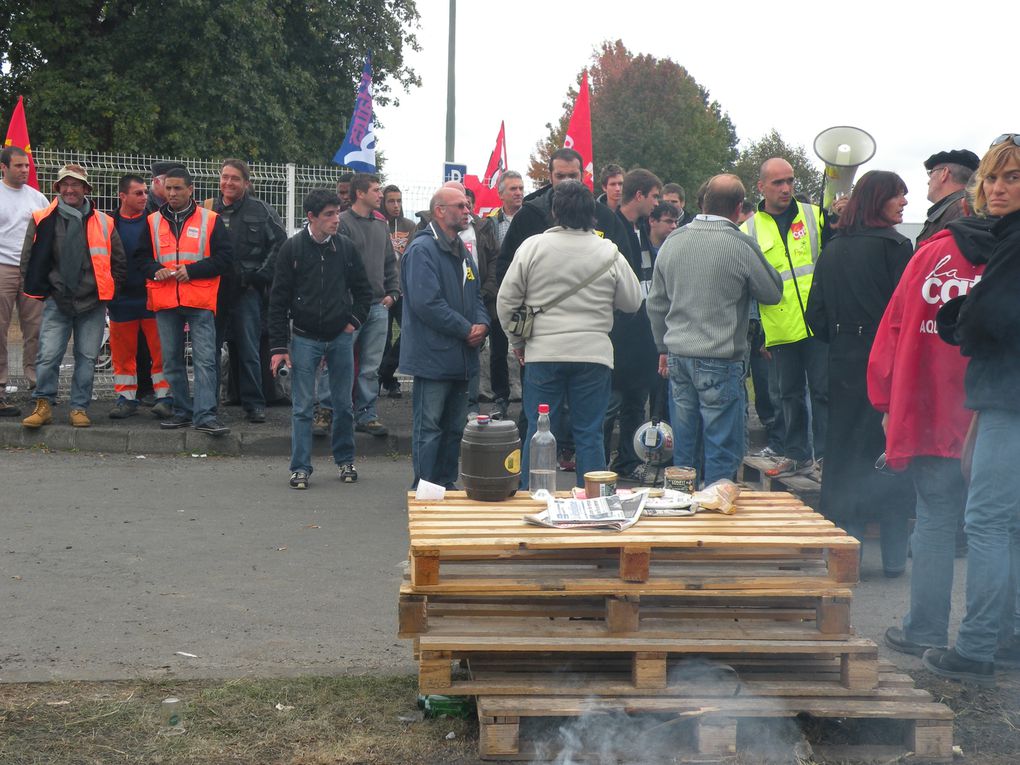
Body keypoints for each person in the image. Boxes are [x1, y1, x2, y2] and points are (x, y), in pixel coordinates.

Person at [870, 210, 994, 657]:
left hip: (933, 413)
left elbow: (893, 330)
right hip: (996, 415)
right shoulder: (1009, 255)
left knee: (936, 520)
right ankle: (995, 637)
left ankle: (924, 629)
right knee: (996, 529)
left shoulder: (931, 255)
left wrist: (886, 402)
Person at [924, 135, 1020, 686]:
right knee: (1006, 523)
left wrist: (960, 316)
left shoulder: (1014, 243)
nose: (997, 188)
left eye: (1011, 178)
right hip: (1002, 396)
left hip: (1009, 397)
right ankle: (1006, 635)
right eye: (992, 178)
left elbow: (995, 321)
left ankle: (979, 645)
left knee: (985, 520)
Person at [805, 171, 915, 576]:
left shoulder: (832, 250)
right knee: (888, 450)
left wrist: (841, 338)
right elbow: (907, 312)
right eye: (897, 195)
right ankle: (891, 558)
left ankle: (844, 553)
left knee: (845, 450)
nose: (905, 201)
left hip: (843, 358)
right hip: (887, 360)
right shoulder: (898, 248)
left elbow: (813, 316)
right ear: (877, 200)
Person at [497, 180, 642, 487]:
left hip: (543, 353)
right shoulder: (609, 251)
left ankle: (532, 497)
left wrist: (517, 341)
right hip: (593, 354)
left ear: (554, 211)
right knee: (589, 432)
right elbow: (632, 300)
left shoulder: (533, 247)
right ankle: (593, 501)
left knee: (538, 431)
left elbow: (506, 300)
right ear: (592, 213)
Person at [647, 174, 782, 484]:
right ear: (738, 208)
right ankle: (716, 515)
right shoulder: (740, 244)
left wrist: (662, 349)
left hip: (679, 356)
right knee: (722, 448)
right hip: (721, 358)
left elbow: (655, 303)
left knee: (685, 445)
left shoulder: (674, 241)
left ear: (703, 203)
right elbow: (772, 292)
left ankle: (683, 507)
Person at [269, 190, 372, 489]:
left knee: (343, 404)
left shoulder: (346, 249)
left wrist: (353, 322)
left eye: (337, 212)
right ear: (311, 217)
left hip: (340, 337)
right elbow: (277, 301)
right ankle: (300, 467)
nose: (335, 219)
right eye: (328, 214)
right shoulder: (292, 249)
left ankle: (345, 460)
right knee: (303, 407)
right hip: (304, 338)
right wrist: (278, 347)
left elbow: (364, 292)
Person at [742, 158, 834, 477]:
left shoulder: (813, 215)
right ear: (762, 187)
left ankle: (824, 457)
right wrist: (760, 334)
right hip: (780, 327)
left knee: (823, 391)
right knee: (788, 395)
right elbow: (751, 286)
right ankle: (797, 454)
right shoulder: (749, 229)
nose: (786, 188)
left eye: (790, 181)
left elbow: (832, 254)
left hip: (817, 323)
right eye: (778, 183)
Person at [21, 164, 127, 428]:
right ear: (57, 188)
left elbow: (119, 262)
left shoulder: (105, 221)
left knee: (87, 358)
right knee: (47, 356)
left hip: (93, 301)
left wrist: (108, 291)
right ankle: (43, 404)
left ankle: (79, 408)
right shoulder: (41, 218)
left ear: (85, 188)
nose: (70, 189)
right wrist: (42, 292)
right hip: (57, 300)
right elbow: (29, 260)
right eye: (65, 184)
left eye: (76, 184)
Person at [399, 186, 488, 489]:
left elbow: (476, 293)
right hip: (434, 356)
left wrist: (482, 324)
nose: (468, 211)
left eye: (467, 206)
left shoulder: (461, 249)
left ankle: (446, 485)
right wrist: (467, 329)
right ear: (440, 211)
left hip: (461, 357)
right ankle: (424, 488)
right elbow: (426, 303)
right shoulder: (423, 249)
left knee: (452, 428)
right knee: (430, 427)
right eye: (461, 206)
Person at [134, 166, 234, 435]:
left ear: (191, 190)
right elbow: (140, 259)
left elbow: (225, 259)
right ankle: (182, 411)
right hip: (165, 301)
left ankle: (205, 414)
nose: (172, 193)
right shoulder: (152, 221)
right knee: (171, 361)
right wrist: (155, 269)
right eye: (168, 188)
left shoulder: (210, 220)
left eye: (178, 188)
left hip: (200, 300)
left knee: (205, 360)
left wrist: (193, 270)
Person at [208, 159, 286, 423]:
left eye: (235, 178)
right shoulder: (208, 210)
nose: (228, 183)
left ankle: (255, 404)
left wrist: (258, 276)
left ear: (246, 183)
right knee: (210, 350)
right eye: (225, 177)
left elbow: (279, 245)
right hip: (213, 291)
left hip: (246, 292)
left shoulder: (261, 211)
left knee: (249, 349)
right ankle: (209, 404)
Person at [606, 168, 662, 482]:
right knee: (611, 403)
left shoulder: (643, 228)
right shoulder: (612, 227)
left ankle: (627, 461)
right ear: (639, 195)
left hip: (644, 332)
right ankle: (599, 464)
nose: (657, 203)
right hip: (618, 331)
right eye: (654, 196)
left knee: (635, 401)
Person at [337, 173, 399, 437]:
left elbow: (389, 262)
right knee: (340, 360)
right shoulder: (342, 224)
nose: (380, 195)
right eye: (375, 190)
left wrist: (393, 292)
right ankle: (331, 410)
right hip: (351, 305)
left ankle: (367, 414)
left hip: (377, 305)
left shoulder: (381, 225)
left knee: (371, 365)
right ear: (360, 193)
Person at [107, 174, 172, 419]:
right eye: (138, 193)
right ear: (122, 196)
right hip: (121, 299)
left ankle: (165, 398)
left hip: (152, 297)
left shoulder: (155, 221)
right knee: (123, 355)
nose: (144, 197)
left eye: (145, 192)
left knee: (161, 352)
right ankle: (126, 399)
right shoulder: (109, 223)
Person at [0, 146, 48, 415]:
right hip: (2, 268)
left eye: (27, 166)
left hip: (31, 271)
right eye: (18, 166)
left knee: (36, 331)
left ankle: (38, 387)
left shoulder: (38, 198)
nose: (24, 170)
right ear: (3, 167)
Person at [485, 170, 525, 415]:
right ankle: (500, 397)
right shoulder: (490, 223)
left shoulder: (531, 218)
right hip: (500, 293)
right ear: (501, 194)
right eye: (513, 189)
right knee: (498, 348)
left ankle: (528, 399)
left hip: (526, 294)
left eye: (521, 188)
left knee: (526, 346)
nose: (519, 192)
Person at [379, 184, 416, 399]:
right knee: (381, 337)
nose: (396, 205)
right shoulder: (377, 224)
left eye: (399, 201)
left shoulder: (409, 226)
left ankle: (385, 371)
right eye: (391, 201)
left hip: (403, 291)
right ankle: (389, 382)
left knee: (409, 332)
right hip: (382, 291)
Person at [917, 149, 979, 246]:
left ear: (944, 173)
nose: (928, 182)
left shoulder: (960, 212)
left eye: (931, 173)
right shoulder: (970, 209)